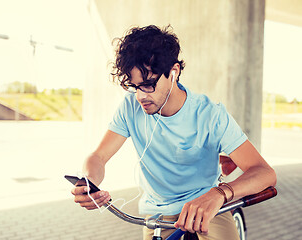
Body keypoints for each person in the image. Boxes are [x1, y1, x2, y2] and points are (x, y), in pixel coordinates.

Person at [71, 25, 276, 240]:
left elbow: (265, 173)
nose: (140, 96)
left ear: (174, 72)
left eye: (149, 85)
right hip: (159, 214)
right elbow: (99, 156)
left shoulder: (210, 115)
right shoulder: (130, 107)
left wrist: (220, 194)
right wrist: (89, 181)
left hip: (206, 205)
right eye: (135, 86)